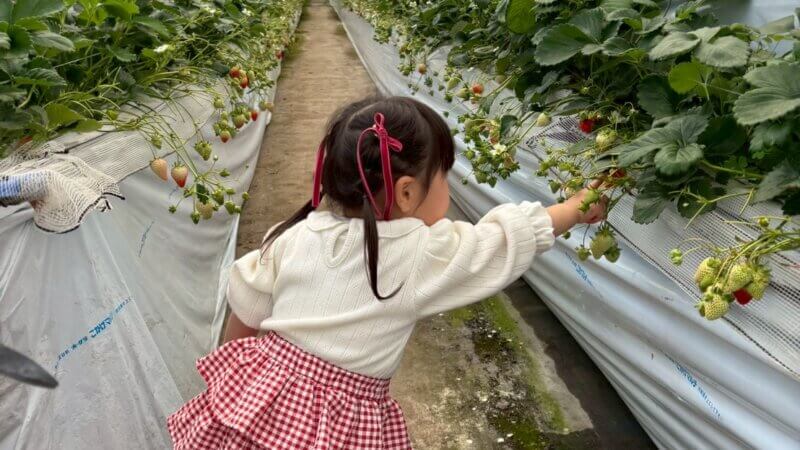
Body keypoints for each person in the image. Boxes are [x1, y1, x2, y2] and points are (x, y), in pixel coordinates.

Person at [167, 96, 606, 449]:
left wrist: (231, 391)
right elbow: (497, 243)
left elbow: (244, 311)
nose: (448, 190)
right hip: (335, 428)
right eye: (444, 178)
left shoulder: (294, 233)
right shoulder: (417, 253)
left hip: (262, 401)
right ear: (408, 193)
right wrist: (573, 209)